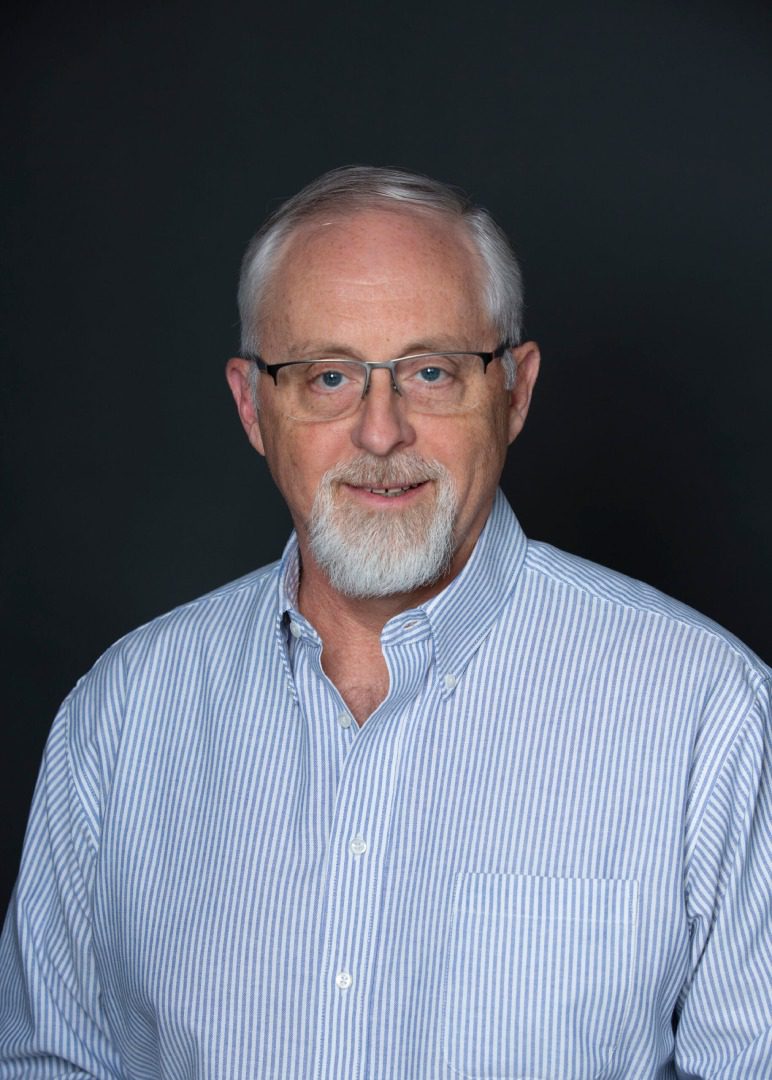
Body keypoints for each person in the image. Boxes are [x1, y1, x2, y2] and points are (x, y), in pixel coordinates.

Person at [1, 166, 770, 1079]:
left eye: (431, 371)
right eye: (328, 376)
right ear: (252, 405)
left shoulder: (707, 715)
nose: (380, 432)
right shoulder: (120, 717)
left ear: (514, 392)